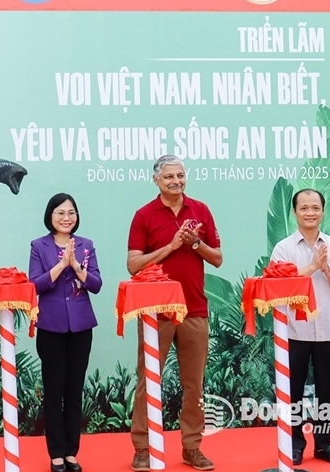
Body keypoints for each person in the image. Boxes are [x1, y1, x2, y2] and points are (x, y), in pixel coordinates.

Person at [126, 155, 222, 472]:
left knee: (194, 384)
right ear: (156, 180)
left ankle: (192, 447)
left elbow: (218, 258)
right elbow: (133, 264)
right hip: (156, 313)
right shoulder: (143, 215)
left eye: (180, 175)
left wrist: (195, 243)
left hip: (194, 309)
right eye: (169, 177)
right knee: (147, 381)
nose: (176, 181)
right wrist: (170, 246)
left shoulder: (201, 210)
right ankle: (142, 448)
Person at [270, 189, 330, 466]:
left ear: (323, 211)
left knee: (327, 391)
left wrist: (326, 268)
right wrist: (311, 267)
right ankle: (294, 444)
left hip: (329, 330)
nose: (310, 212)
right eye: (304, 208)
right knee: (292, 391)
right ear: (294, 212)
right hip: (293, 332)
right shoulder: (284, 248)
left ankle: (324, 444)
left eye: (315, 208)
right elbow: (277, 284)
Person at [29, 193, 102, 472]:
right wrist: (62, 265)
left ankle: (72, 452)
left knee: (74, 391)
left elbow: (96, 284)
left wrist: (76, 267)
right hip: (51, 326)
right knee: (54, 390)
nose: (66, 217)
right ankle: (56, 453)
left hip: (81, 325)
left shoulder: (86, 245)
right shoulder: (39, 246)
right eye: (60, 212)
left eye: (71, 212)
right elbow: (34, 284)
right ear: (50, 216)